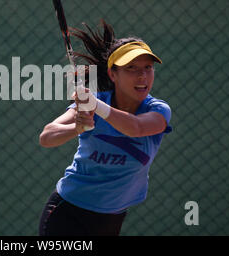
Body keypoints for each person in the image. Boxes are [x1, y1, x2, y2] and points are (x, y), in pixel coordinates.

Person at [38, 20, 172, 236]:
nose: (142, 76)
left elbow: (135, 127)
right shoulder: (91, 104)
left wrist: (96, 107)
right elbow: (47, 136)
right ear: (112, 74)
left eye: (148, 68)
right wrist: (77, 126)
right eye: (132, 68)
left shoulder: (158, 110)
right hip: (67, 211)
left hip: (112, 218)